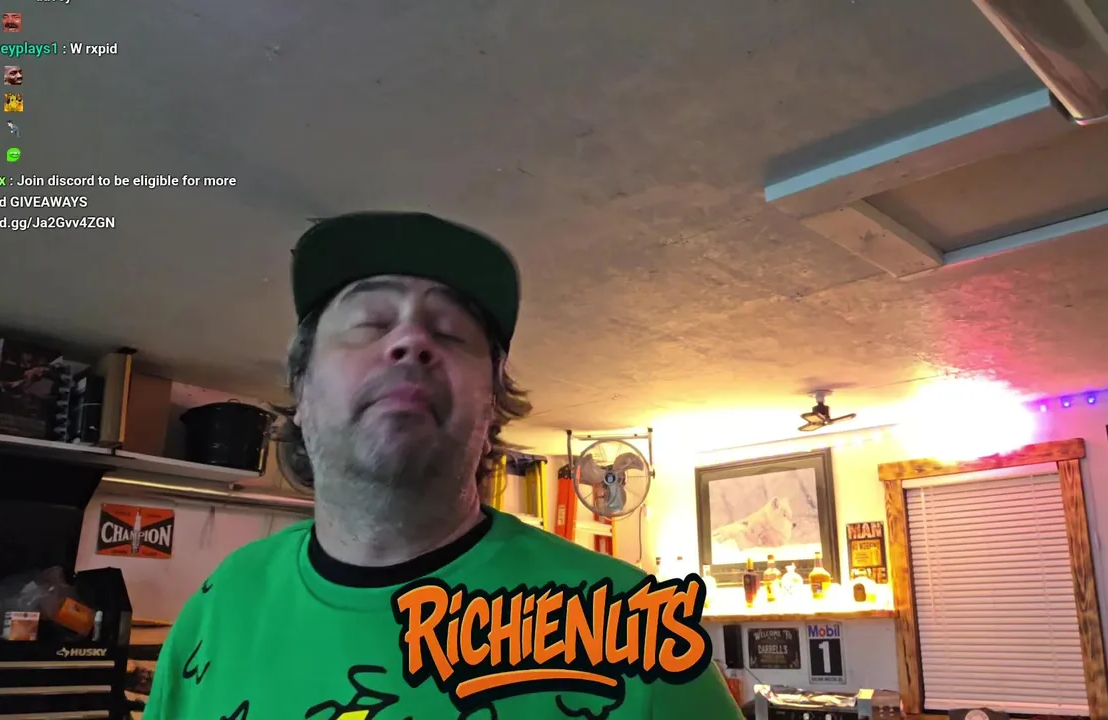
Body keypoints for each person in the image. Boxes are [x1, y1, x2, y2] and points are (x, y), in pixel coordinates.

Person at [143, 212, 742, 719]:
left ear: (492, 407)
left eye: (451, 332)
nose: (411, 340)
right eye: (370, 322)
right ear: (301, 389)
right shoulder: (220, 605)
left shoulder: (635, 630)